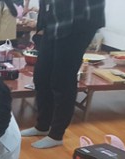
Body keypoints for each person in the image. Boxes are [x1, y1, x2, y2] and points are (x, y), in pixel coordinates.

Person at [21, 0, 104, 149]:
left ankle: (56, 134)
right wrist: (41, 23)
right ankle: (42, 126)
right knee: (41, 77)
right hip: (54, 22)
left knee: (62, 80)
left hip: (77, 24)